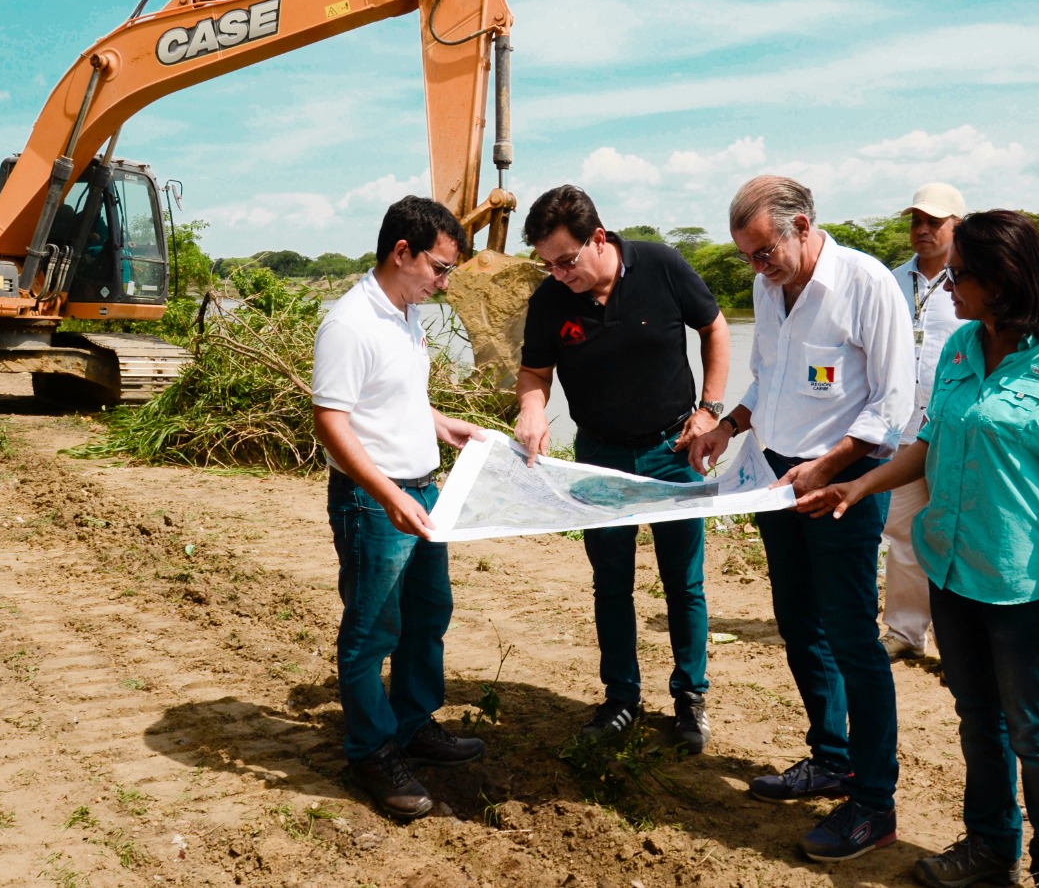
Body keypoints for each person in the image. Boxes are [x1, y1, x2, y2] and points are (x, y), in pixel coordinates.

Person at [798, 210, 1039, 888]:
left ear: (1001, 278)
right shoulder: (961, 348)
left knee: (1034, 724)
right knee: (978, 718)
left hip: (1025, 583)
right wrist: (858, 487)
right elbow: (928, 445)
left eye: (960, 274)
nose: (947, 287)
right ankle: (991, 845)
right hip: (953, 570)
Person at [687, 175, 912, 863]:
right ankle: (831, 757)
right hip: (777, 480)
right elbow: (771, 376)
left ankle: (874, 801)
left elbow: (892, 408)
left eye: (764, 251)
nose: (758, 266)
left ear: (803, 225)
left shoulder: (867, 286)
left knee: (852, 636)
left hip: (841, 483)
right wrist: (729, 426)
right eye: (748, 256)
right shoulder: (768, 285)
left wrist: (827, 467)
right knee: (799, 621)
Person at [515, 185, 730, 754]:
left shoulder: (660, 265)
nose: (560, 274)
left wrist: (710, 409)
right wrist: (532, 409)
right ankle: (622, 698)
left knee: (684, 582)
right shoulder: (550, 300)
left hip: (672, 452)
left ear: (599, 238)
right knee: (611, 583)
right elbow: (535, 373)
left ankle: (690, 698)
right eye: (549, 265)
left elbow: (714, 327)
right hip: (599, 456)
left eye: (567, 261)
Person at [312, 195, 488, 820]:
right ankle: (371, 750)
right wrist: (388, 497)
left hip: (422, 490)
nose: (443, 283)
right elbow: (331, 422)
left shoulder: (405, 312)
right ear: (401, 252)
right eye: (439, 268)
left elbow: (391, 399)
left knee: (427, 613)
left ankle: (414, 724)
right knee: (372, 628)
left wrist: (442, 425)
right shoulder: (349, 323)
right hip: (375, 500)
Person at [881, 182, 966, 660]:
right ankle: (907, 631)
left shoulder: (972, 283)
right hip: (903, 431)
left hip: (957, 432)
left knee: (962, 533)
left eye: (934, 221)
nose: (922, 230)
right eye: (916, 221)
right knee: (905, 533)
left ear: (958, 225)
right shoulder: (891, 281)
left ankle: (961, 643)